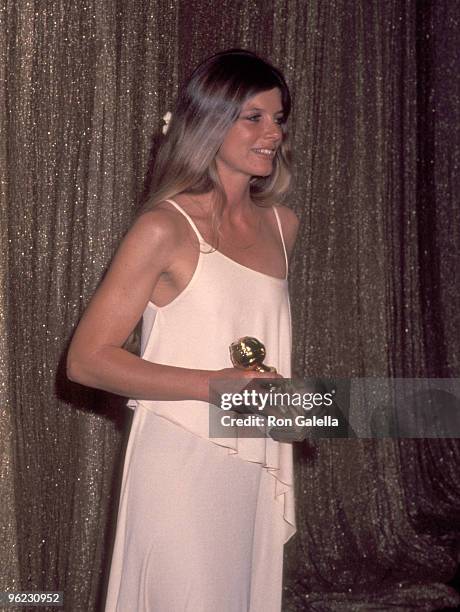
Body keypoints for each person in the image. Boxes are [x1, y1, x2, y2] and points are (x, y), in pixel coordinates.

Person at [67, 49, 299, 612]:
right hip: (181, 462)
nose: (272, 132)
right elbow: (87, 360)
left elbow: (257, 348)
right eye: (254, 117)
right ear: (211, 122)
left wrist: (298, 407)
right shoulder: (164, 227)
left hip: (252, 461)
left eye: (278, 118)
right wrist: (214, 386)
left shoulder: (282, 225)